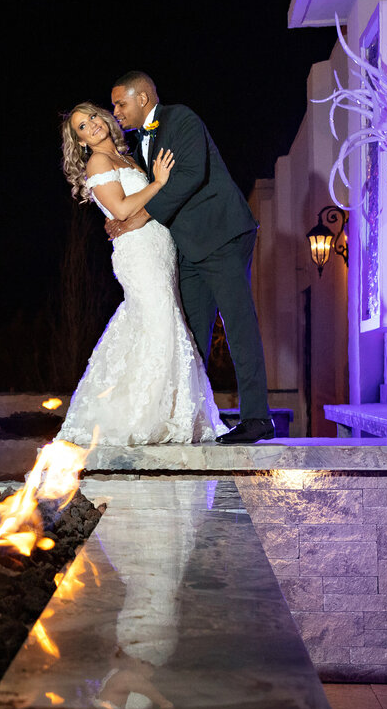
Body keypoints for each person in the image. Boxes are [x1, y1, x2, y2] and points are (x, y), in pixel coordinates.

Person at [107, 71, 273, 444]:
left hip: (222, 234)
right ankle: (190, 419)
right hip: (190, 248)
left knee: (238, 324)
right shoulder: (139, 145)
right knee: (190, 337)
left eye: (121, 103)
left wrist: (137, 219)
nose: (115, 110)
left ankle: (258, 419)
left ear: (144, 99)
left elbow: (190, 175)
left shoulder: (180, 118)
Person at [55, 103, 223, 448]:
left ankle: (165, 413)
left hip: (160, 247)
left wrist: (152, 193)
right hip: (137, 253)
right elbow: (120, 208)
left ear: (104, 119)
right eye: (82, 127)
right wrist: (159, 182)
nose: (92, 126)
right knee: (161, 321)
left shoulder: (129, 159)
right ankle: (145, 418)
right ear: (81, 141)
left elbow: (138, 206)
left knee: (157, 323)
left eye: (93, 118)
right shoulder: (98, 162)